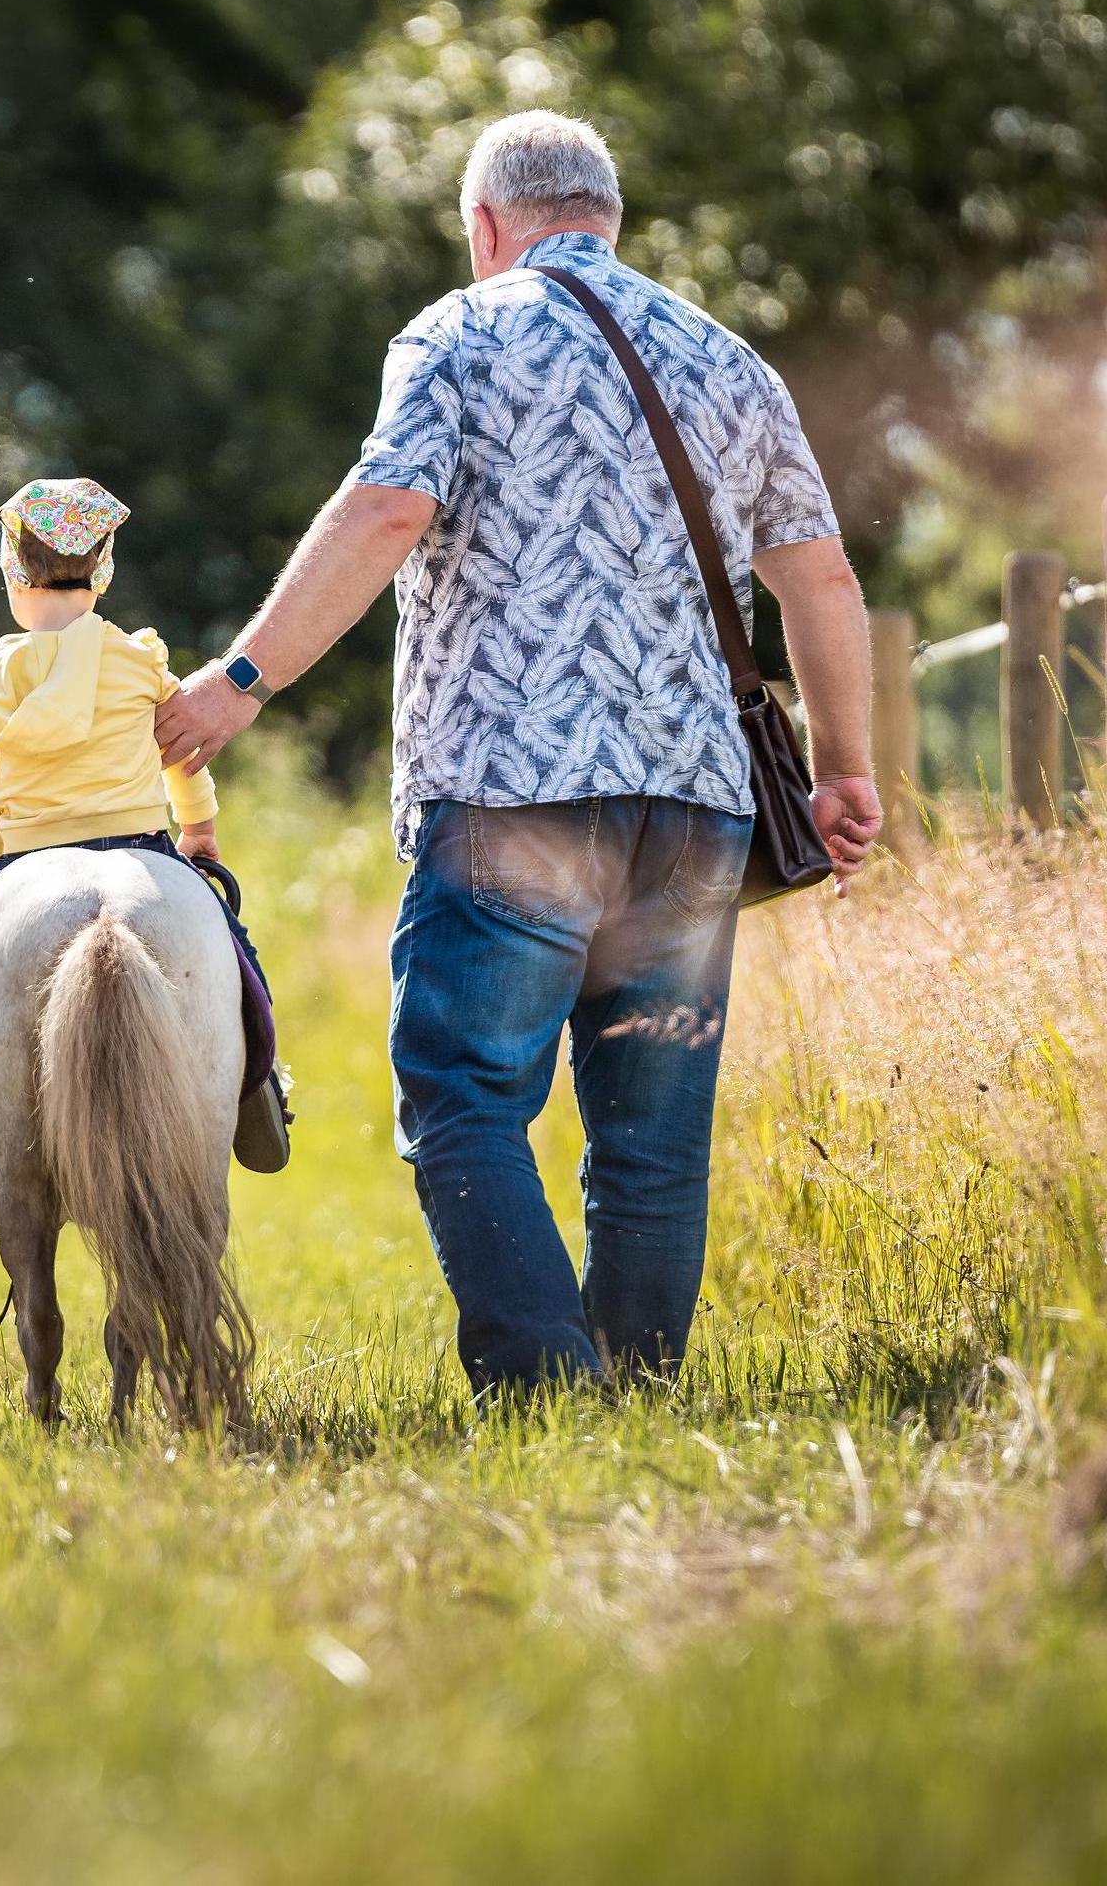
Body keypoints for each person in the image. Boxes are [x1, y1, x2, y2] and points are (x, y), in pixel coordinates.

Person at [155, 111, 882, 1398]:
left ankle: (548, 1392)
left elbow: (388, 509)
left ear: (486, 226)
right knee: (653, 1135)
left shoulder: (457, 334)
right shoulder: (723, 357)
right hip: (695, 806)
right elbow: (819, 577)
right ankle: (639, 1392)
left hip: (513, 793)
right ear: (608, 220)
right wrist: (844, 770)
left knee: (467, 1099)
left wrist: (243, 678)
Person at [0, 477, 287, 1180]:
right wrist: (198, 827)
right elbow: (182, 753)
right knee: (233, 948)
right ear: (103, 570)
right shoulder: (140, 661)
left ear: (12, 571)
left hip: (25, 856)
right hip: (142, 844)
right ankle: (262, 1083)